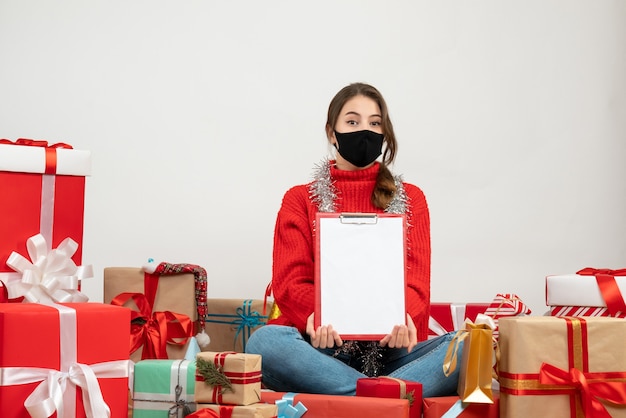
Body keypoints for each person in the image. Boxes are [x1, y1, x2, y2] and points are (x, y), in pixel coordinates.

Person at [246, 82, 460, 397]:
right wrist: (317, 319)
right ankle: (382, 399)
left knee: (468, 346)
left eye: (375, 123)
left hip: (390, 350)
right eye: (352, 121)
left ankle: (357, 398)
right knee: (264, 343)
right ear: (332, 132)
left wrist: (403, 319)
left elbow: (416, 282)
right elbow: (290, 282)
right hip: (321, 350)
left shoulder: (411, 198)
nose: (365, 130)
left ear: (385, 132)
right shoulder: (300, 198)